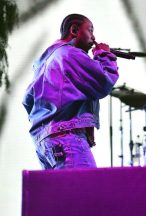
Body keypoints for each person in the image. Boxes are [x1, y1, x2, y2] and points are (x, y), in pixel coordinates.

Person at [23, 14, 119, 170]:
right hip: (66, 138)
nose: (93, 37)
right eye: (90, 30)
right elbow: (104, 81)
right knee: (85, 191)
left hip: (44, 141)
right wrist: (104, 54)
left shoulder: (45, 62)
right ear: (74, 30)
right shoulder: (70, 53)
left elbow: (27, 100)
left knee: (63, 193)